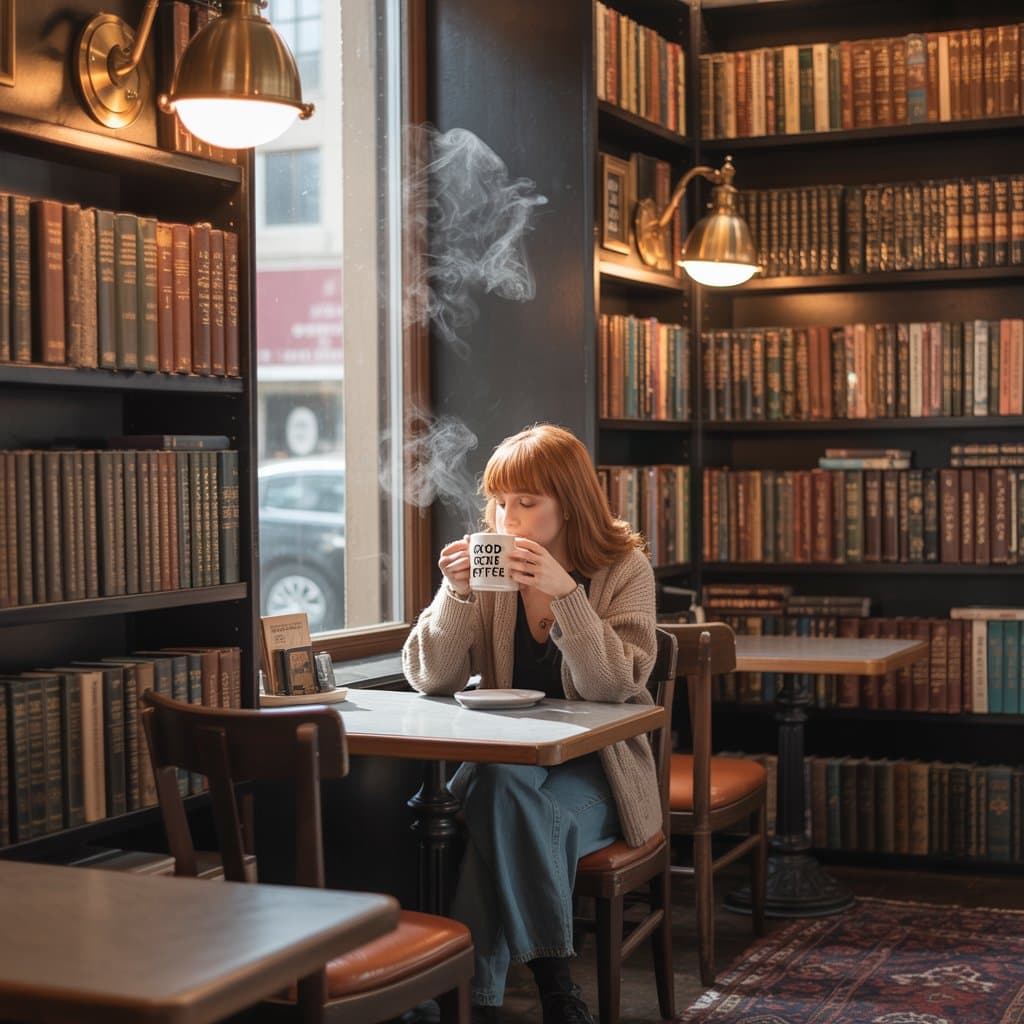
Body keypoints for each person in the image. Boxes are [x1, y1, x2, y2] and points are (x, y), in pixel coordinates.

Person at [402, 423, 660, 1024]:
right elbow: (430, 677)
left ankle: (466, 1000)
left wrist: (565, 593)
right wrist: (455, 593)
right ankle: (555, 988)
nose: (505, 517)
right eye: (497, 502)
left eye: (526, 502)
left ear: (567, 504)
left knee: (494, 806)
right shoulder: (491, 572)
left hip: (601, 774)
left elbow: (614, 685)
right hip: (513, 769)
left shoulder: (625, 569)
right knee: (502, 787)